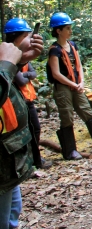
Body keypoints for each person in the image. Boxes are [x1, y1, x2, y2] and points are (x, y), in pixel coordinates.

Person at [47, 12, 92, 159]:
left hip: (76, 85)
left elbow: (79, 66)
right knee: (67, 116)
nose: (70, 31)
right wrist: (73, 84)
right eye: (67, 28)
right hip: (63, 87)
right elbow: (56, 74)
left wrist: (81, 82)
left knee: (88, 112)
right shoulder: (55, 49)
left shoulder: (73, 46)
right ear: (58, 31)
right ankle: (70, 150)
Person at [0, 23, 43, 229]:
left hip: (9, 156)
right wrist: (8, 64)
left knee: (13, 210)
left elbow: (26, 76)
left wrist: (20, 60)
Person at [4, 18, 52, 170]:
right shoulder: (6, 57)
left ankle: (35, 159)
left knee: (34, 129)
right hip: (16, 105)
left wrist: (24, 61)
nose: (31, 39)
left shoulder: (17, 57)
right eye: (27, 36)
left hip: (28, 100)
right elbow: (21, 80)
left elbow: (32, 73)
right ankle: (28, 162)